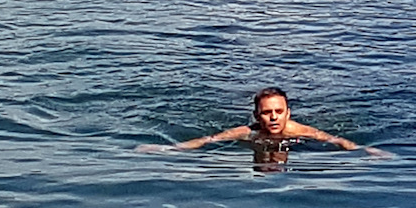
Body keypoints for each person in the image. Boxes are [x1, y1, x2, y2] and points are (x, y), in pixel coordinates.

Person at [136, 87, 388, 158]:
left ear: (288, 113)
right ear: (257, 115)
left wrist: (365, 150)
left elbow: (335, 140)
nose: (274, 117)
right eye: (267, 112)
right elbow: (208, 140)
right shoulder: (246, 132)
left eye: (279, 111)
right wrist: (167, 149)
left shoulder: (299, 130)